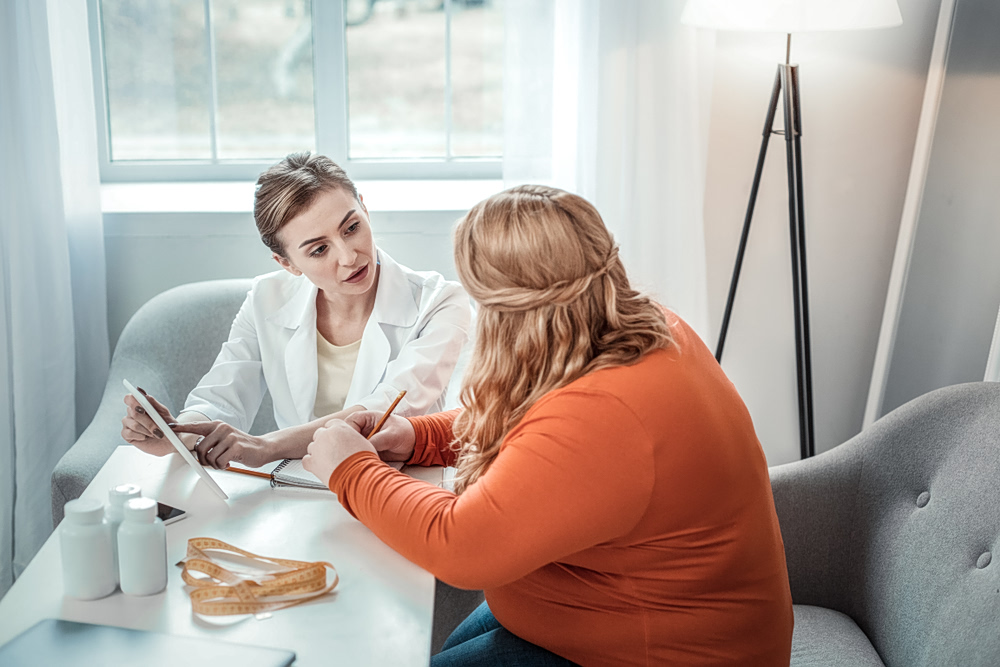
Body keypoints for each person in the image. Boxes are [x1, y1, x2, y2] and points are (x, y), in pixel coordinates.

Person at [303, 185, 794, 666]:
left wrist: (352, 469)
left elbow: (460, 547)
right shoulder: (644, 326)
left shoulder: (606, 414)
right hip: (598, 612)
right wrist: (419, 437)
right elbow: (536, 421)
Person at [121, 153, 472, 470]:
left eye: (352, 228)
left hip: (397, 487)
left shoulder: (441, 303)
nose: (349, 256)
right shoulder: (266, 299)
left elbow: (377, 416)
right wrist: (178, 434)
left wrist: (265, 446)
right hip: (293, 489)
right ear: (287, 263)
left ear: (364, 208)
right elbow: (221, 397)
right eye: (319, 250)